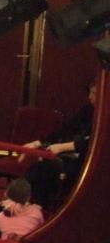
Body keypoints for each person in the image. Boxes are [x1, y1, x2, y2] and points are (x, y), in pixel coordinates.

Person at [26, 79, 96, 208]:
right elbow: (67, 129)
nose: (90, 97)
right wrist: (39, 142)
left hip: (90, 162)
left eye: (94, 93)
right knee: (36, 169)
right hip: (74, 155)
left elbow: (93, 142)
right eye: (90, 92)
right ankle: (32, 205)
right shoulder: (88, 109)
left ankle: (40, 207)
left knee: (50, 169)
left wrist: (62, 147)